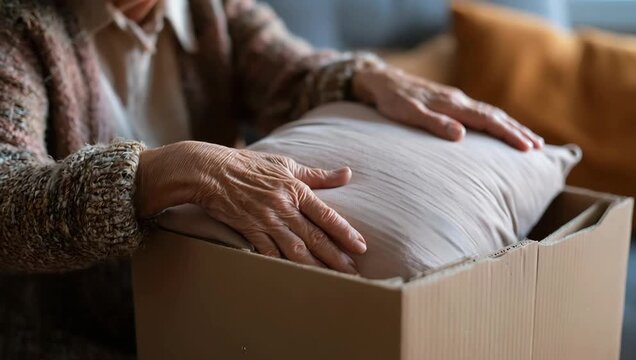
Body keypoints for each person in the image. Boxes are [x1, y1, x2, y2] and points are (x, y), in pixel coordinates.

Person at [0, 0, 544, 357]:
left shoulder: (215, 9)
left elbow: (292, 72)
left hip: (209, 317)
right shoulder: (18, 24)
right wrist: (170, 169)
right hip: (64, 334)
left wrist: (365, 77)